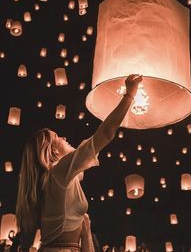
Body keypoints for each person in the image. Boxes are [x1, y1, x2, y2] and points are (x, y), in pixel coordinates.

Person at [15, 74, 143, 252]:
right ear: (53, 151)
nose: (65, 137)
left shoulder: (58, 179)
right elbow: (105, 134)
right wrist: (130, 94)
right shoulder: (57, 173)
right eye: (58, 137)